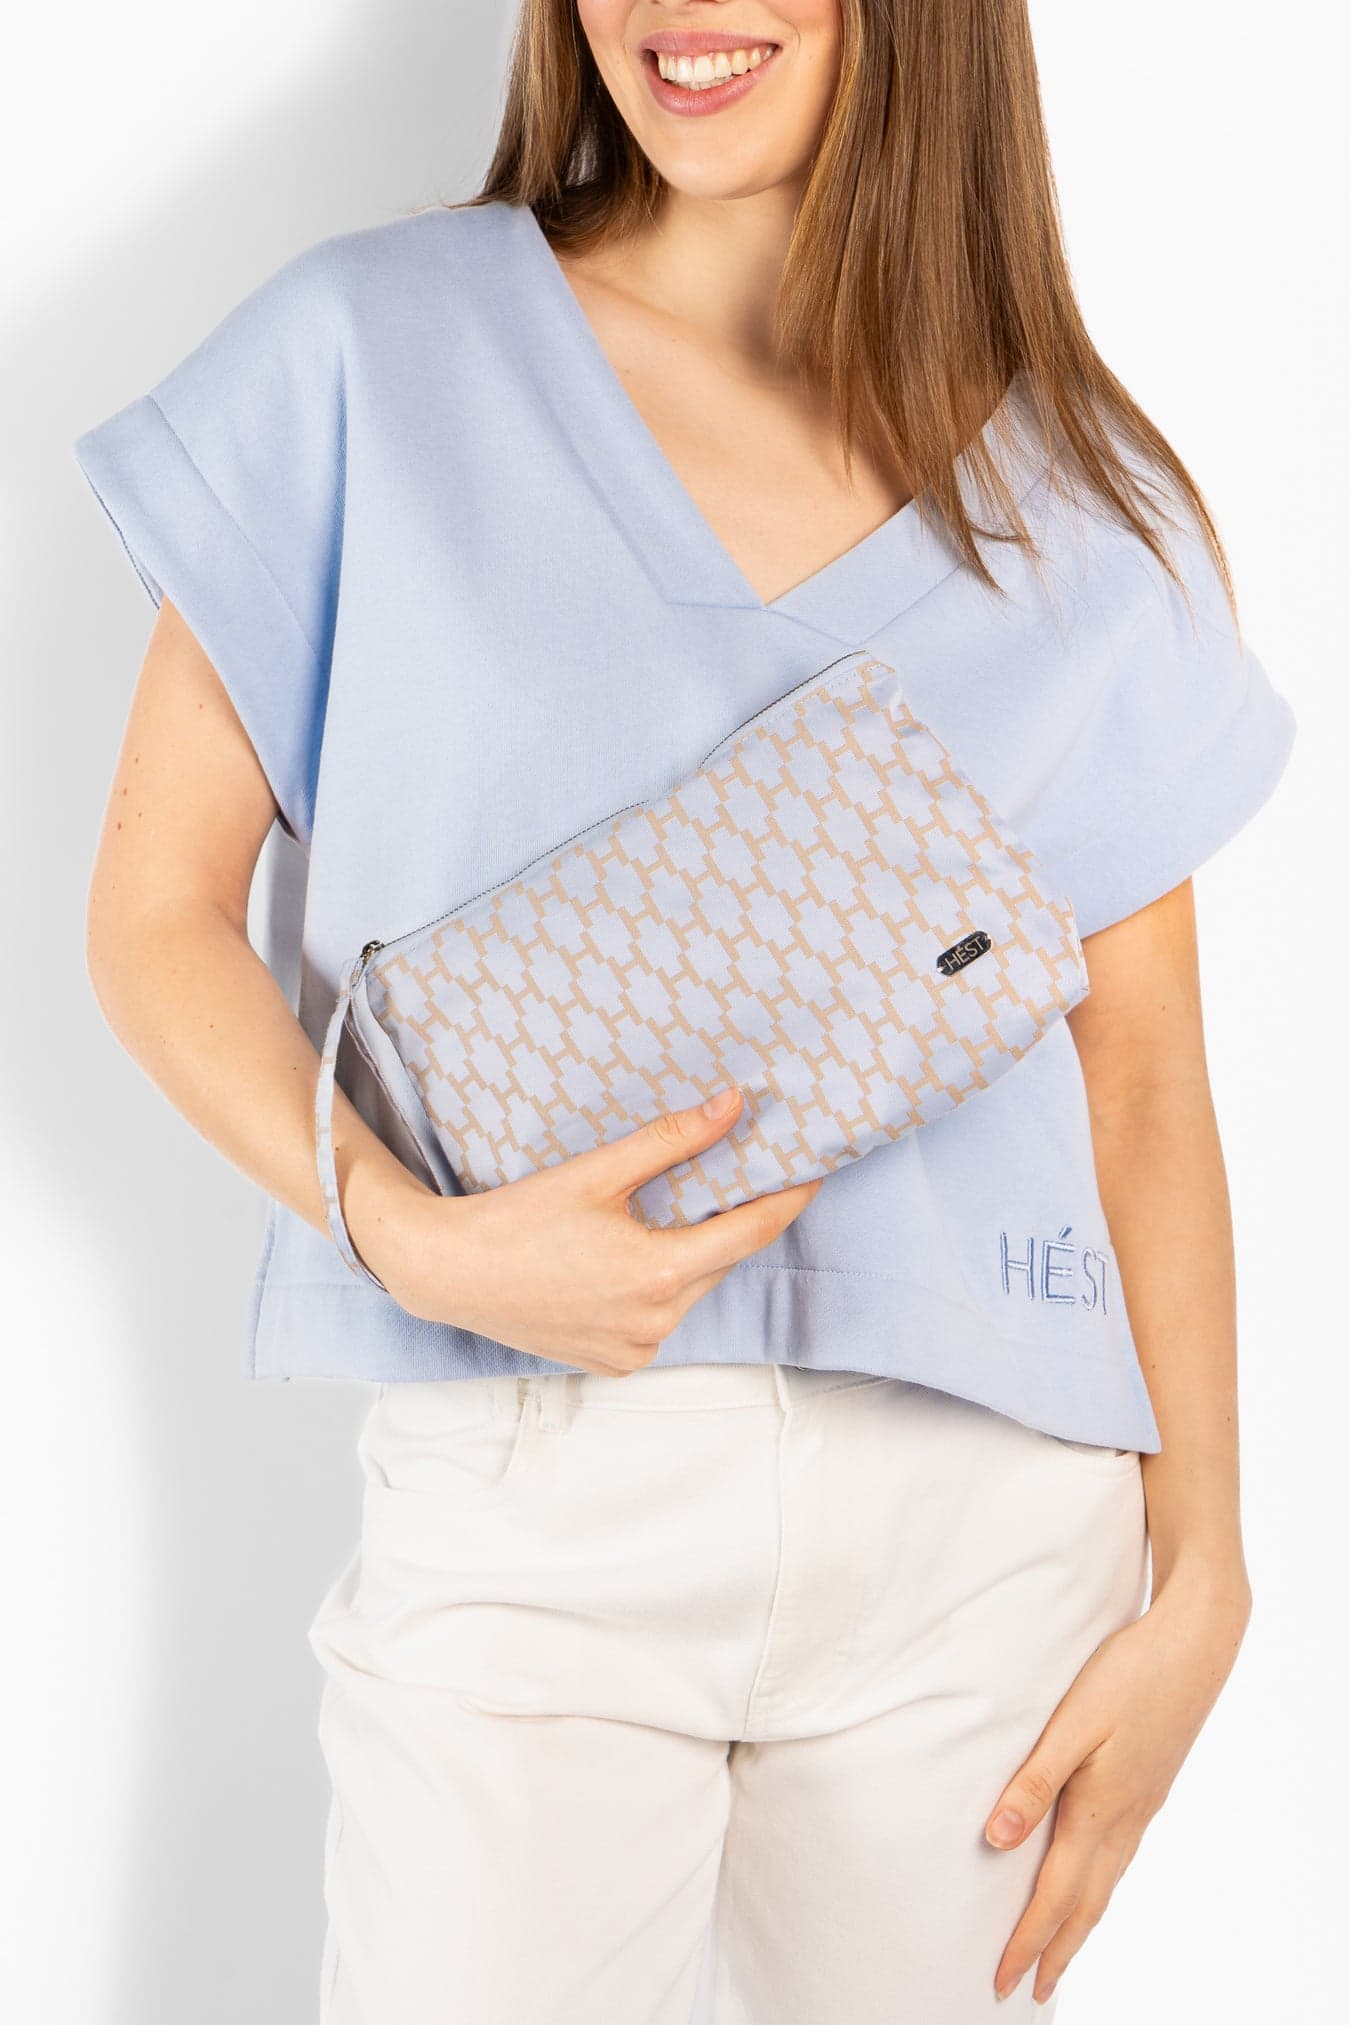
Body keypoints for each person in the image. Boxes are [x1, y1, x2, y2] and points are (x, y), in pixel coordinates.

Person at [73, 2, 1296, 2020]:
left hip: (986, 1532)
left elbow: (1147, 1073)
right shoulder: (368, 353)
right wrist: (415, 1238)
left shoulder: (1087, 496)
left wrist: (1211, 1570)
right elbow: (152, 916)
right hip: (531, 1481)